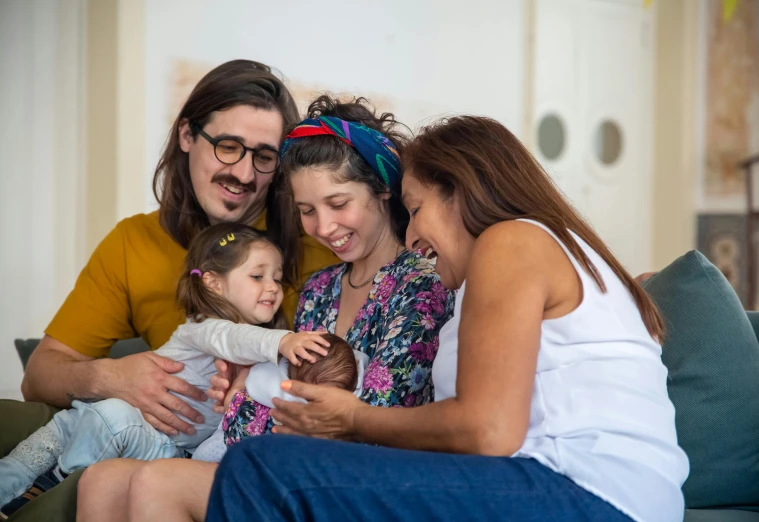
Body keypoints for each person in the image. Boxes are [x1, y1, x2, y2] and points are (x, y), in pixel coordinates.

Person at [201, 115, 691, 522]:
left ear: (457, 190)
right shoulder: (525, 258)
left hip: (588, 493)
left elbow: (489, 431)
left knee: (260, 469)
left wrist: (352, 419)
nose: (412, 235)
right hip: (576, 491)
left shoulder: (512, 240)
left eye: (414, 209)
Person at [75, 96, 455, 522]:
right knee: (103, 479)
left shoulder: (421, 287)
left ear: (383, 190)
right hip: (275, 459)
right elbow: (286, 388)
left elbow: (381, 418)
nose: (323, 228)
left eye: (338, 203)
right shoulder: (318, 288)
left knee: (157, 481)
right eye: (307, 211)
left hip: (351, 477)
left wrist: (255, 405)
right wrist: (245, 379)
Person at [0, 60, 338, 521]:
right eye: (228, 146)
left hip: (233, 446)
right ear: (186, 136)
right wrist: (113, 377)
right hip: (141, 430)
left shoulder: (317, 243)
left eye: (263, 156)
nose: (244, 172)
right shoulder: (133, 242)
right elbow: (40, 375)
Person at [0, 223, 330, 510]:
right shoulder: (204, 327)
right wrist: (284, 341)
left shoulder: (256, 348)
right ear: (213, 284)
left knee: (113, 418)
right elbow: (233, 337)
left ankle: (54, 483)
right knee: (31, 454)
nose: (273, 286)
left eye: (277, 277)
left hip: (158, 443)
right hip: (104, 418)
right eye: (258, 276)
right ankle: (25, 489)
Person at [192, 332, 366, 462]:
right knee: (202, 457)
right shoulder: (271, 378)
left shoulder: (348, 400)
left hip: (265, 460)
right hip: (231, 438)